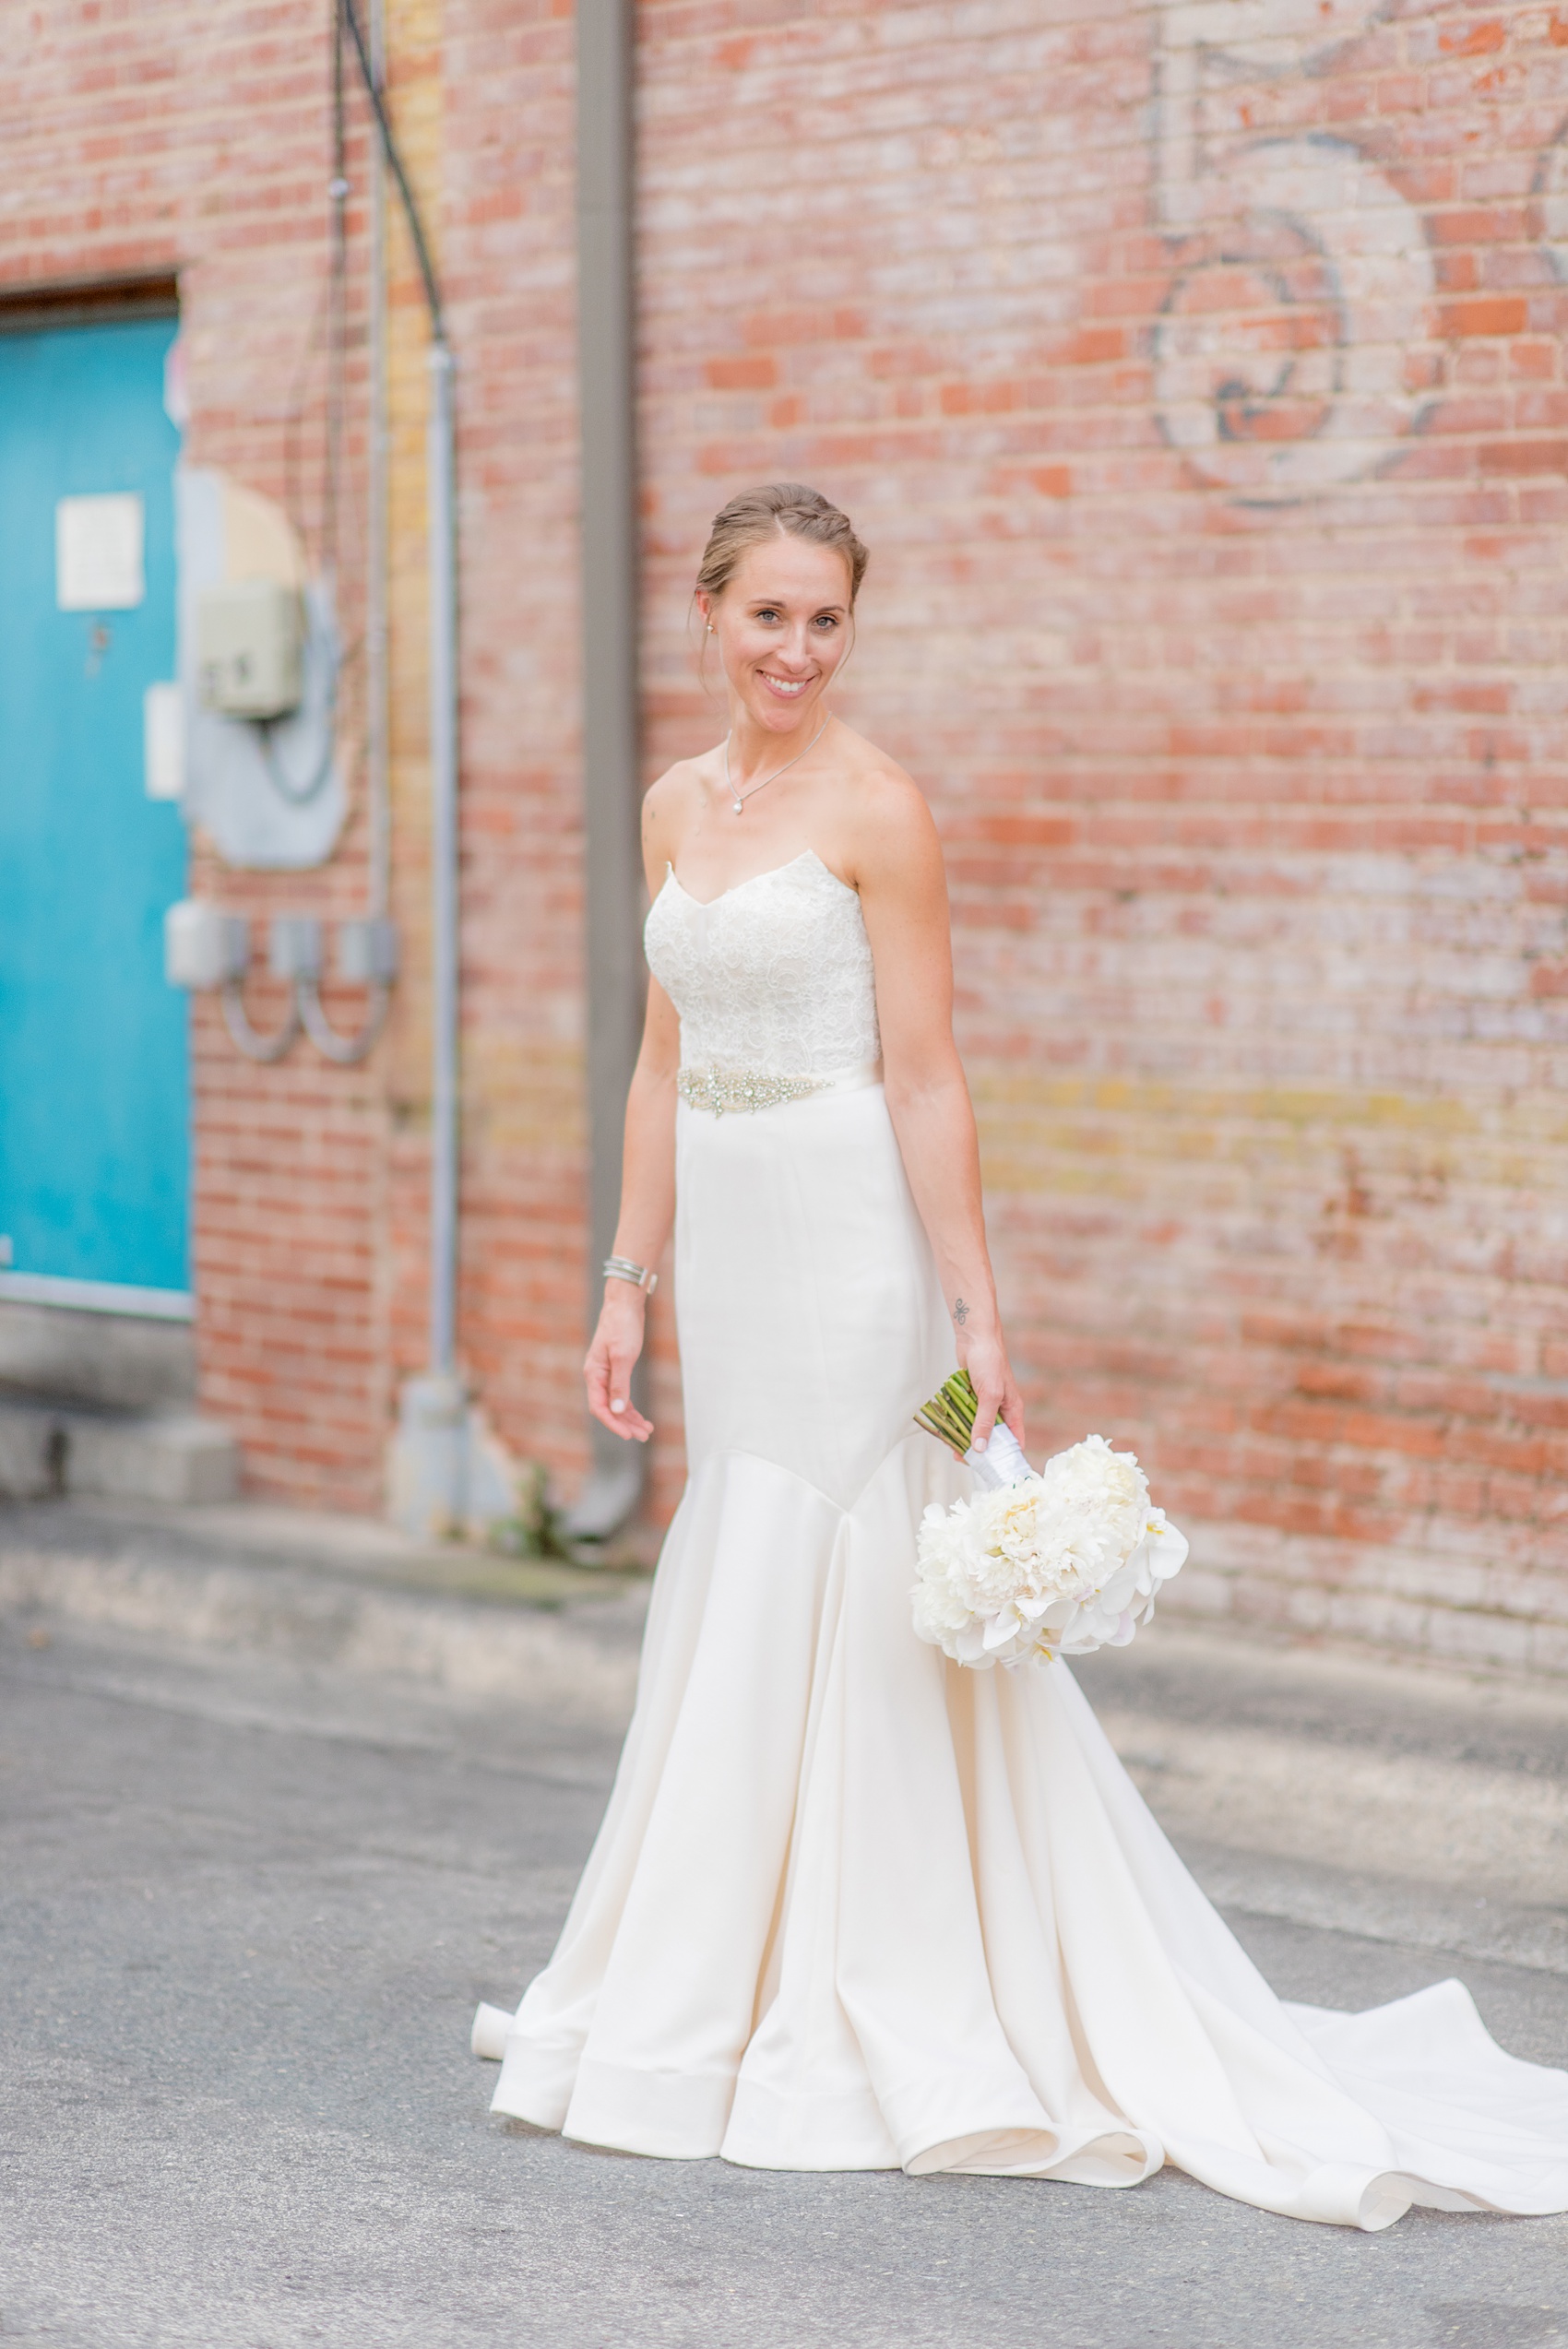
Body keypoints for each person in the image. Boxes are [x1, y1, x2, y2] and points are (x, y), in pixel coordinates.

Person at [474, 482, 1568, 2228]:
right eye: (769, 615)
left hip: (851, 1241)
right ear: (707, 611)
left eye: (828, 620)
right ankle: (718, 1977)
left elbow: (927, 1075)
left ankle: (871, 1985)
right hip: (731, 1255)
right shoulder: (680, 804)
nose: (797, 650)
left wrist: (976, 1311)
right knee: (740, 1557)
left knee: (842, 1555)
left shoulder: (882, 808)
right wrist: (627, 1276)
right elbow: (659, 1059)